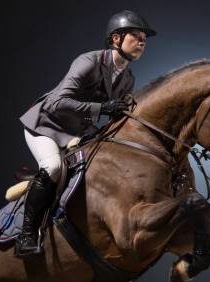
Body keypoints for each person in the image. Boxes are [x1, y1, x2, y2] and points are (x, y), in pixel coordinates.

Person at [16, 10, 156, 257]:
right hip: (46, 125)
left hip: (75, 134)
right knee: (52, 168)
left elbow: (120, 114)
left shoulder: (128, 78)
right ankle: (26, 235)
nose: (142, 41)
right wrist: (102, 108)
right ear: (116, 39)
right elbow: (55, 103)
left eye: (144, 37)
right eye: (135, 35)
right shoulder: (88, 62)